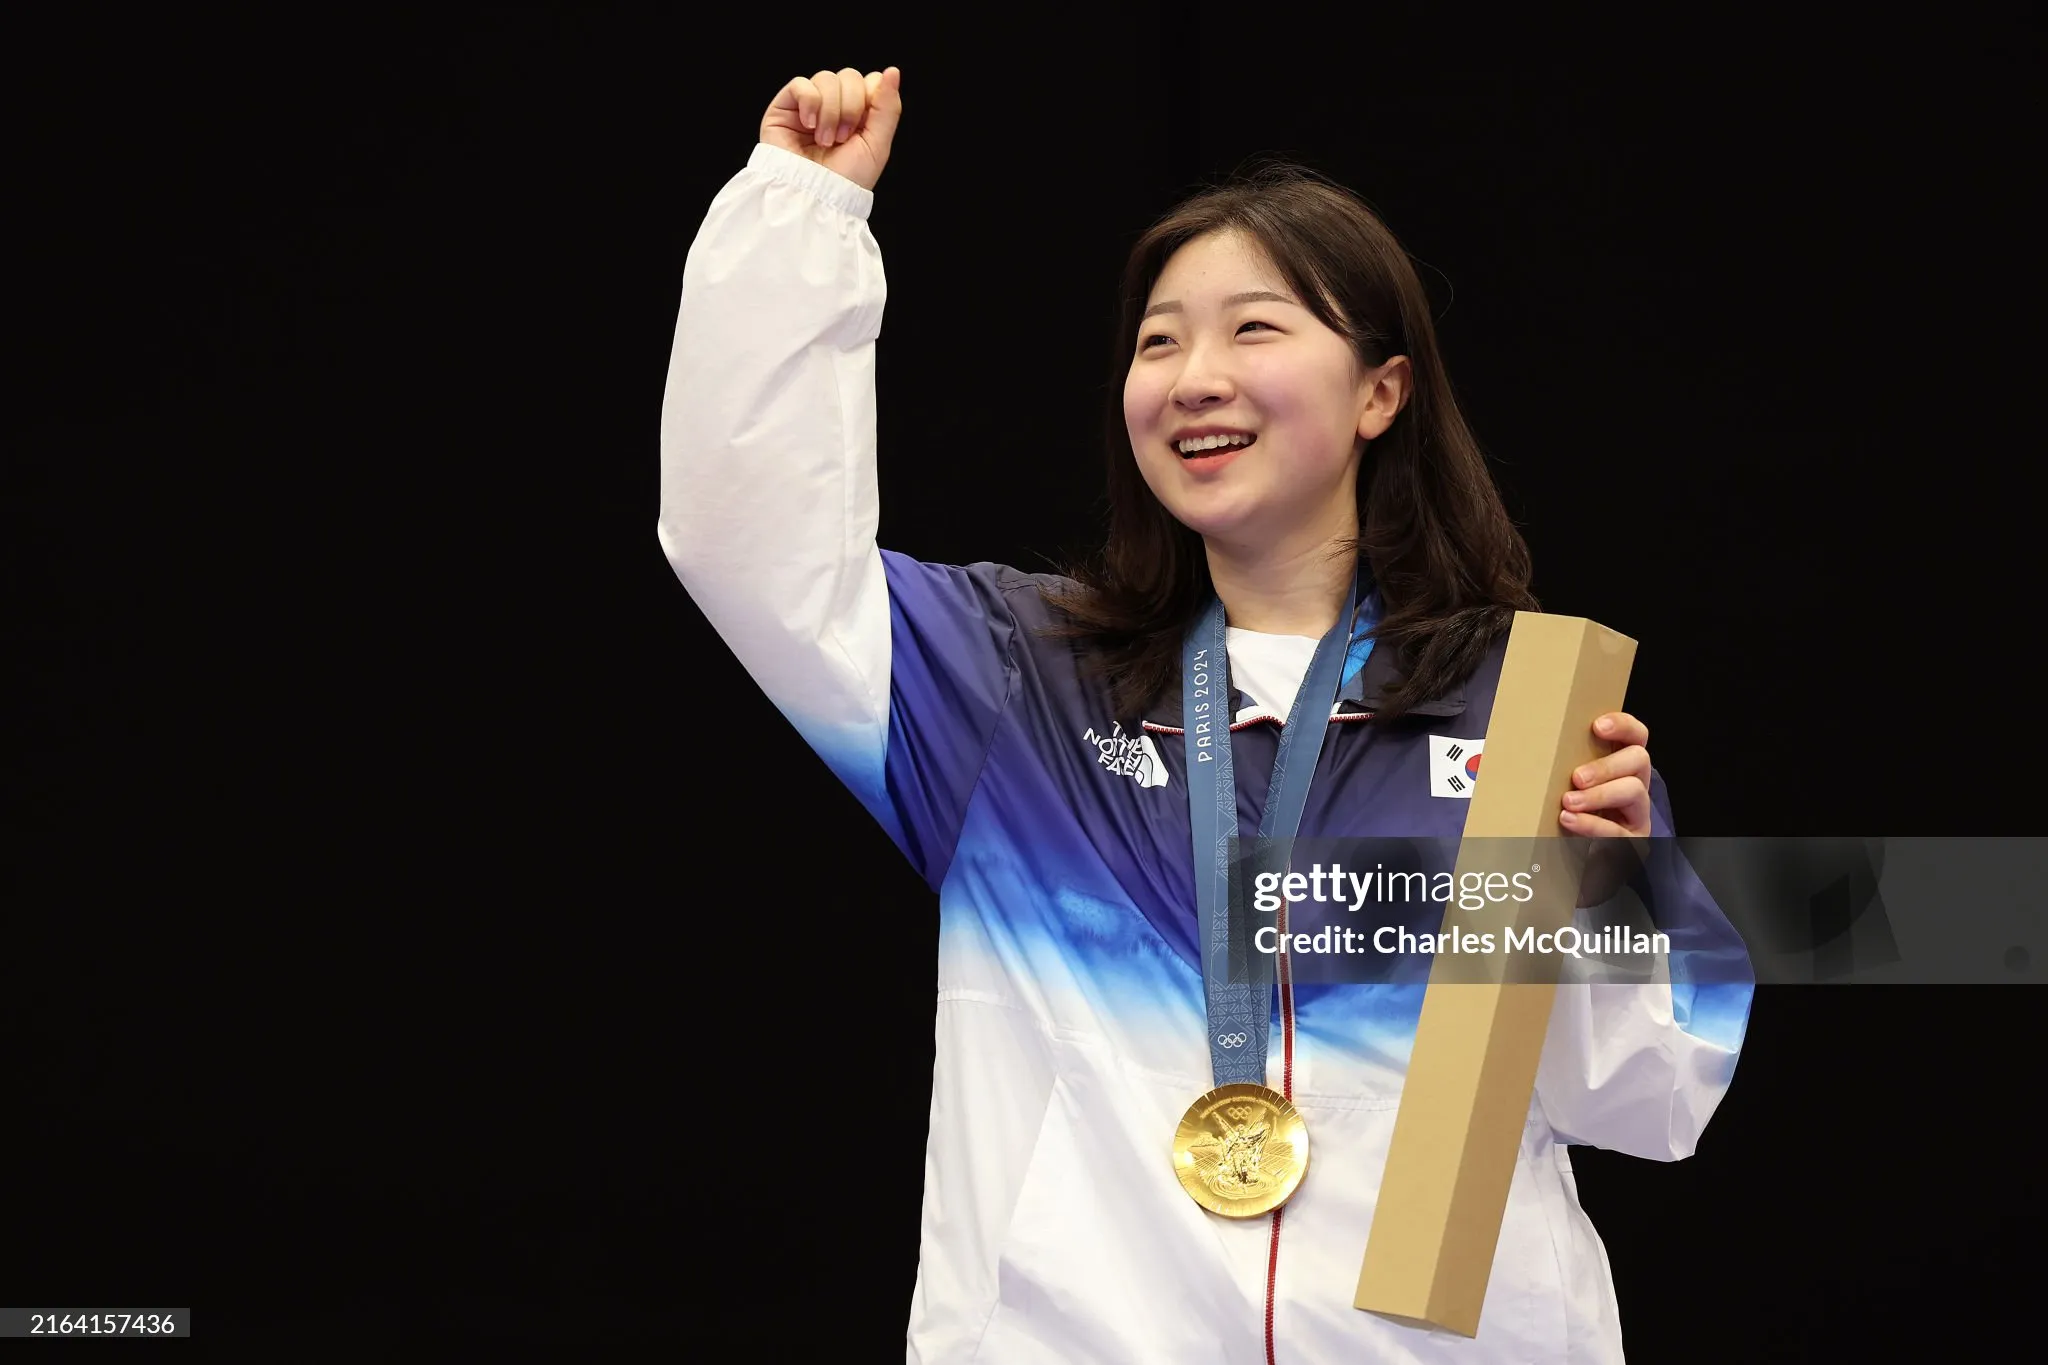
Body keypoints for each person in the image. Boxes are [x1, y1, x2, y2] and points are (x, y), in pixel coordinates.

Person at [659, 65, 1754, 1364]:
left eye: (1254, 330)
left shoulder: (1523, 713)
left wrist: (1622, 893)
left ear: (1380, 394)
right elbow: (750, 545)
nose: (1192, 376)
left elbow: (1646, 1099)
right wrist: (801, 216)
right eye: (1158, 339)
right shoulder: (1016, 681)